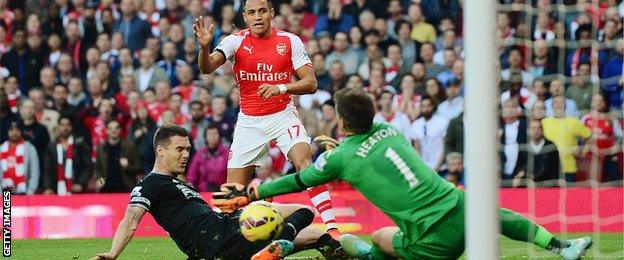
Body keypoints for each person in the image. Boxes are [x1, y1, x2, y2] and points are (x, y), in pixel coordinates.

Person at [214, 88, 593, 260]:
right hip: (461, 209)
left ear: (342, 122)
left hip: (433, 243)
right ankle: (562, 248)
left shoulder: (339, 159)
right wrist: (340, 151)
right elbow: (367, 154)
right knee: (496, 215)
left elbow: (299, 180)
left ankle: (366, 257)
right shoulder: (388, 130)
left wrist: (254, 192)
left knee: (378, 237)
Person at [193, 0, 339, 237]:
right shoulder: (235, 41)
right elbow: (207, 68)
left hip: (283, 115)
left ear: (271, 13)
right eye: (252, 13)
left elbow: (311, 83)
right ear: (245, 17)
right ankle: (225, 239)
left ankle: (333, 229)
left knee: (305, 164)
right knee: (233, 192)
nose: (258, 16)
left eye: (262, 11)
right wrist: (203, 48)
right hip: (249, 121)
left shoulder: (290, 41)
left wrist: (281, 88)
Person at [91, 125, 345, 260]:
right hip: (222, 238)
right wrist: (113, 254)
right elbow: (130, 220)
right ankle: (279, 246)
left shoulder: (180, 184)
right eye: (179, 149)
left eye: (188, 149)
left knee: (315, 235)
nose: (185, 155)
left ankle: (336, 254)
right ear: (160, 151)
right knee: (305, 211)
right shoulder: (149, 184)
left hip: (224, 233)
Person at [1, 122, 40, 195]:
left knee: (21, 207)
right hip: (6, 191)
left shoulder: (29, 148)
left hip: (24, 191)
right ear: (7, 132)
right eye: (11, 130)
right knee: (7, 206)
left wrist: (30, 191)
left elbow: (34, 171)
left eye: (17, 130)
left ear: (21, 132)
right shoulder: (2, 149)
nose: (14, 133)